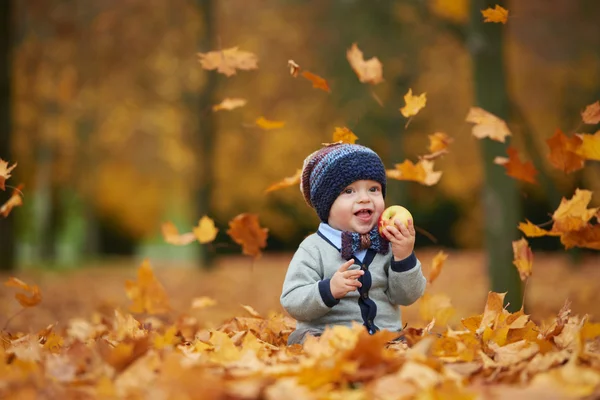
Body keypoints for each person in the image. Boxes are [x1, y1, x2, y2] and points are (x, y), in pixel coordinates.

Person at [280, 142, 427, 345]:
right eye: (349, 191)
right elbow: (292, 300)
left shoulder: (390, 242)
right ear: (327, 204)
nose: (365, 199)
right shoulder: (313, 248)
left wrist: (404, 258)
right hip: (329, 337)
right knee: (304, 341)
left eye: (373, 189)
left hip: (385, 338)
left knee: (426, 342)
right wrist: (328, 290)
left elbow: (407, 297)